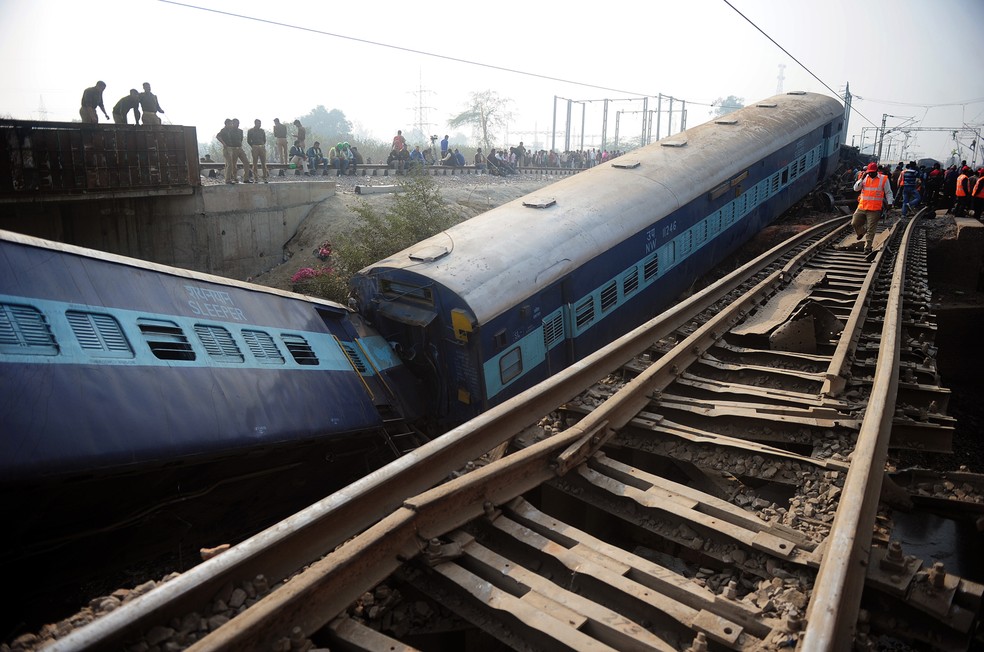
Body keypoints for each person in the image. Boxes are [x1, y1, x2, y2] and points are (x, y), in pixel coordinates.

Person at [852, 162, 894, 254]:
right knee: (854, 222)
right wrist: (861, 179)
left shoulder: (883, 179)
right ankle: (861, 232)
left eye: (872, 172)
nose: (870, 174)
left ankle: (867, 248)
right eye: (869, 172)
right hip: (862, 206)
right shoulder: (864, 178)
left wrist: (890, 203)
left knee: (871, 229)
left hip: (875, 209)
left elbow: (888, 192)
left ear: (877, 171)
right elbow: (855, 189)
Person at [247, 119, 269, 183]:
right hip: (255, 147)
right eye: (258, 123)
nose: (259, 125)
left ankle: (265, 177)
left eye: (260, 123)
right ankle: (255, 177)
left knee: (263, 163)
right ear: (255, 123)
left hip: (262, 147)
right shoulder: (250, 131)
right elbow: (248, 140)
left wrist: (262, 145)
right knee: (255, 163)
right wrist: (253, 146)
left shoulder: (262, 131)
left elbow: (264, 139)